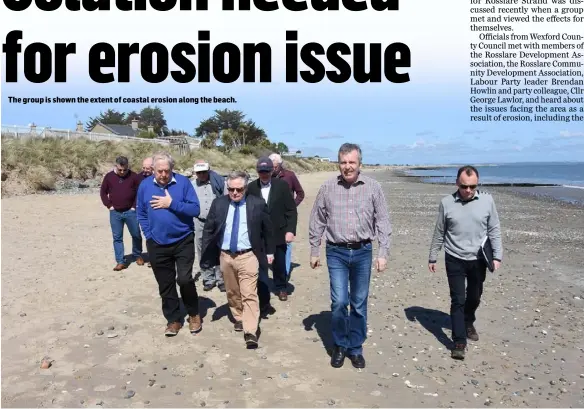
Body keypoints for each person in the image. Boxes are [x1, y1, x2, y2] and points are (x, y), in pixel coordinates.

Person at [308, 143, 392, 369]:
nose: (347, 167)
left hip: (363, 251)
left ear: (359, 164)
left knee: (358, 302)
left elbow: (382, 221)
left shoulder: (373, 187)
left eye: (351, 162)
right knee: (339, 302)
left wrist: (383, 253)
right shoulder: (327, 188)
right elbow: (317, 220)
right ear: (339, 164)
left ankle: (355, 348)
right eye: (343, 162)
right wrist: (314, 250)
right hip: (336, 251)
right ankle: (340, 345)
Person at [428, 165, 503, 360]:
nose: (468, 190)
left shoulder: (487, 201)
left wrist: (497, 256)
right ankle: (459, 341)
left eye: (472, 186)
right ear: (456, 183)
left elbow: (494, 229)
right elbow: (439, 231)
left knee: (475, 297)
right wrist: (433, 255)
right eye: (464, 186)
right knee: (458, 299)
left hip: (478, 259)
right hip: (454, 258)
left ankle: (468, 321)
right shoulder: (447, 203)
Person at [199, 171, 274, 348]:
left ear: (246, 188)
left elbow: (268, 230)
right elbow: (209, 229)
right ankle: (239, 317)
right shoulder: (219, 204)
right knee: (232, 292)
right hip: (226, 256)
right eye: (231, 189)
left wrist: (269, 252)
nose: (234, 193)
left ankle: (250, 331)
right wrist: (207, 254)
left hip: (248, 255)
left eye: (238, 189)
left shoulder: (257, 204)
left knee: (249, 293)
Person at [136, 152, 203, 337]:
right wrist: (149, 235)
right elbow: (141, 212)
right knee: (165, 284)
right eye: (159, 171)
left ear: (172, 169)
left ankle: (194, 314)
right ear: (153, 170)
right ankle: (173, 320)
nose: (163, 174)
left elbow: (195, 209)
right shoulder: (145, 185)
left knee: (184, 279)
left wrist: (171, 203)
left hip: (183, 239)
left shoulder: (183, 183)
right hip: (157, 243)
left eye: (167, 170)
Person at [247, 156, 298, 302]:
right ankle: (261, 288)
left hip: (279, 231)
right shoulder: (251, 187)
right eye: (261, 171)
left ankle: (281, 287)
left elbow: (291, 210)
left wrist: (290, 230)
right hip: (259, 233)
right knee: (259, 262)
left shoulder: (281, 186)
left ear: (272, 170)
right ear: (257, 171)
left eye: (267, 171)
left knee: (279, 262)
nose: (264, 174)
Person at [100, 156, 144, 271]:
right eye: (120, 170)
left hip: (131, 211)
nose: (123, 172)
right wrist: (109, 205)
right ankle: (120, 261)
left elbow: (139, 193)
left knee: (136, 234)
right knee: (117, 238)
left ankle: (137, 255)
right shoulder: (109, 177)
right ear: (116, 166)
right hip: (115, 213)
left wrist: (134, 207)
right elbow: (103, 192)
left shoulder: (134, 176)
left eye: (125, 169)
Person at [191, 159, 226, 292]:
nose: (202, 175)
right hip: (199, 221)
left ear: (208, 170)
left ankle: (220, 278)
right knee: (202, 250)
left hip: (217, 222)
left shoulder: (219, 183)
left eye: (204, 172)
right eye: (199, 173)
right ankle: (208, 278)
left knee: (219, 249)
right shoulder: (192, 185)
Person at [269, 153, 305, 278]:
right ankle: (277, 269)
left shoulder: (289, 176)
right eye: (270, 166)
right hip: (271, 216)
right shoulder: (266, 178)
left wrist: (292, 206)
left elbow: (300, 193)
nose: (272, 169)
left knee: (287, 243)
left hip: (286, 216)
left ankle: (284, 273)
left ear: (279, 165)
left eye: (274, 167)